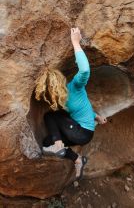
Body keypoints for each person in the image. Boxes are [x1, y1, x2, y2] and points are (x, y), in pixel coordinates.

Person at [35, 27, 107, 179]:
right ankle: (78, 160)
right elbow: (81, 109)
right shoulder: (59, 99)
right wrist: (97, 117)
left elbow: (85, 70)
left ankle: (59, 145)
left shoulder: (75, 87)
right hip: (76, 130)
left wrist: (75, 42)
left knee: (50, 117)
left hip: (83, 132)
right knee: (46, 143)